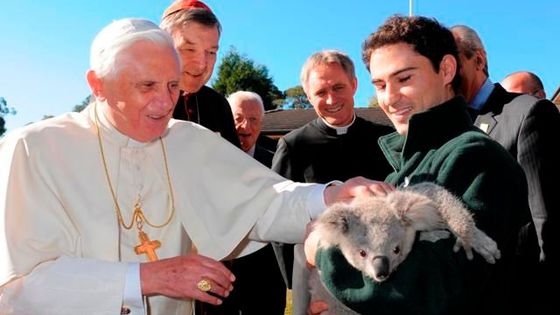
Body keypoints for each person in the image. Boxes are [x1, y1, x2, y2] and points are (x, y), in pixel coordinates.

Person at [0, 18, 391, 315]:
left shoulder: (186, 139)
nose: (164, 102)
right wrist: (147, 278)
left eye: (172, 86)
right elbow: (15, 288)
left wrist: (330, 195)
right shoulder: (32, 150)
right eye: (146, 86)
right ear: (98, 84)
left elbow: (265, 201)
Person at [307, 15, 538, 314]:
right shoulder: (402, 170)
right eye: (380, 84)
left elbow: (433, 287)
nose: (389, 98)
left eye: (404, 79)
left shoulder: (478, 157)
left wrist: (323, 253)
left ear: (446, 69)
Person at [271, 49, 394, 315]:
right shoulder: (293, 145)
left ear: (354, 85)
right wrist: (294, 279)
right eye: (320, 93)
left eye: (339, 87)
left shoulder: (385, 140)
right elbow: (276, 213)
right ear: (307, 95)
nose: (331, 99)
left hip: (379, 267)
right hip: (316, 269)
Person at [452, 25, 558, 308]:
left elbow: (546, 218)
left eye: (453, 62)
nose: (446, 74)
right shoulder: (449, 127)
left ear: (479, 59)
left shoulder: (528, 113)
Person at [193, 91, 285, 315]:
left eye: (253, 120)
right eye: (238, 118)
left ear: (261, 124)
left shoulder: (276, 162)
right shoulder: (203, 161)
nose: (245, 126)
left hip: (265, 277)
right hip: (218, 272)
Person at [160, 0, 240, 147]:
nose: (202, 64)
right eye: (189, 49)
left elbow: (234, 167)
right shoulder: (137, 99)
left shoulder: (218, 105)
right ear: (163, 45)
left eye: (211, 52)